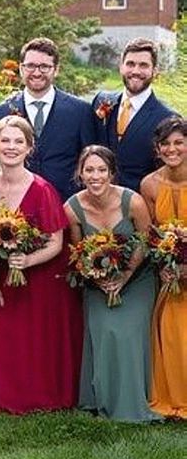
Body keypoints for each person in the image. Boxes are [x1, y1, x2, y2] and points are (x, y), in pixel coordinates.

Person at [0, 115, 81, 413]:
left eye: (19, 141)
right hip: (4, 278)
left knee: (37, 340)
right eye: (5, 140)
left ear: (30, 148)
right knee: (5, 337)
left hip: (42, 276)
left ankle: (42, 395)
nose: (11, 147)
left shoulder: (42, 189)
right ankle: (6, 396)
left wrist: (27, 260)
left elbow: (56, 243)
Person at [64, 145, 161, 422]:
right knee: (105, 328)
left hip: (137, 278)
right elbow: (79, 252)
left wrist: (125, 275)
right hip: (97, 283)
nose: (95, 176)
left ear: (112, 173)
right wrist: (101, 278)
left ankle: (134, 401)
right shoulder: (72, 209)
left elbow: (145, 239)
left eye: (102, 170)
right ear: (80, 173)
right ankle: (101, 399)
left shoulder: (134, 202)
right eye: (89, 170)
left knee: (128, 330)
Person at [0, 38, 96, 202]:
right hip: (15, 208)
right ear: (21, 68)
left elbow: (90, 160)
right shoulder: (2, 111)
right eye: (30, 66)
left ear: (56, 70)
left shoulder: (80, 111)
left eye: (44, 66)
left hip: (65, 204)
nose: (37, 72)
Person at [140, 116, 187, 419]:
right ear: (157, 149)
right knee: (171, 331)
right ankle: (175, 395)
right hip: (170, 274)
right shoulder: (150, 184)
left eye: (179, 143)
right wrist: (165, 265)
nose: (173, 149)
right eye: (166, 144)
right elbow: (150, 234)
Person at [93, 38, 175, 192]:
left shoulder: (167, 118)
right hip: (97, 201)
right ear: (121, 67)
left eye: (143, 65)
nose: (136, 71)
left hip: (140, 204)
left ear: (155, 71)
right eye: (130, 64)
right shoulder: (102, 100)